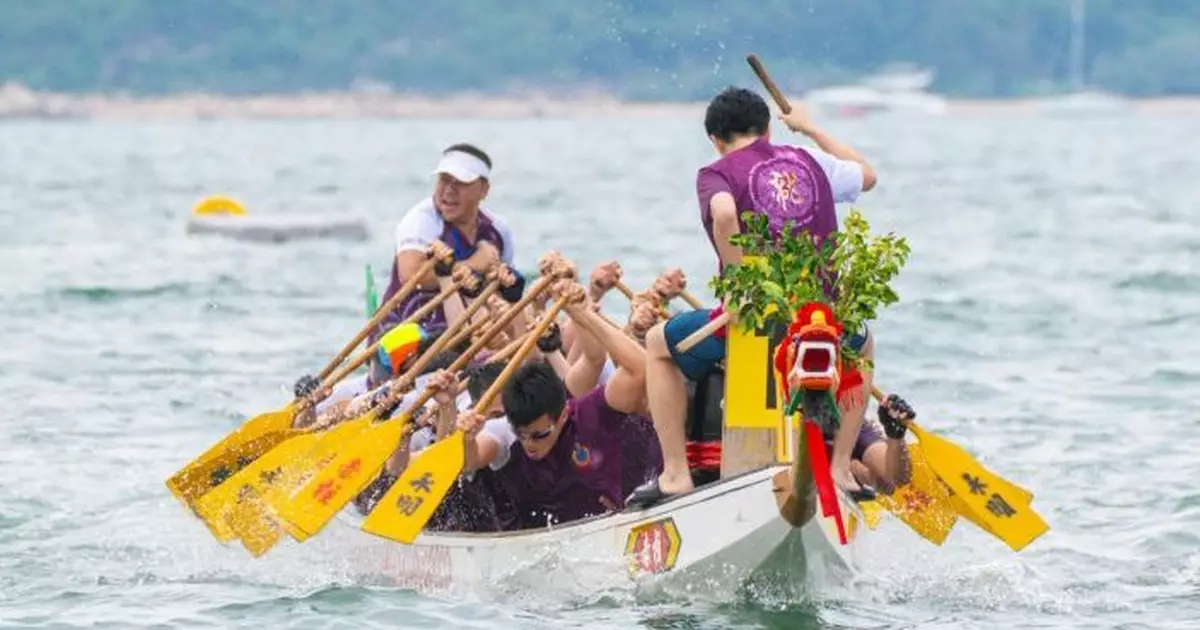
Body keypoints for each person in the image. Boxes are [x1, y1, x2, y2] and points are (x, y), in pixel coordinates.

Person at [628, 86, 878, 507]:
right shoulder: (809, 161)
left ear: (716, 140)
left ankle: (675, 476)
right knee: (865, 342)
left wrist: (743, 283)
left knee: (656, 345)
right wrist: (810, 128)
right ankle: (839, 471)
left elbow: (725, 213)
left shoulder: (717, 173)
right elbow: (866, 175)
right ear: (766, 129)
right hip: (821, 320)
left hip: (752, 323)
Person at [456, 278, 658, 528]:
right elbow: (468, 462)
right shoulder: (505, 432)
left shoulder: (588, 410)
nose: (529, 444)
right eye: (523, 435)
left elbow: (641, 369)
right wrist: (466, 438)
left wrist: (583, 312)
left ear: (563, 415)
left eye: (539, 435)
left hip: (619, 518)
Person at [373, 143, 521, 346]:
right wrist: (475, 264)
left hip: (468, 336)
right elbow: (411, 276)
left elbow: (509, 292)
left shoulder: (497, 230)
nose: (449, 191)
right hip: (406, 337)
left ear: (484, 190)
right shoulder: (421, 221)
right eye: (444, 180)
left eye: (460, 183)